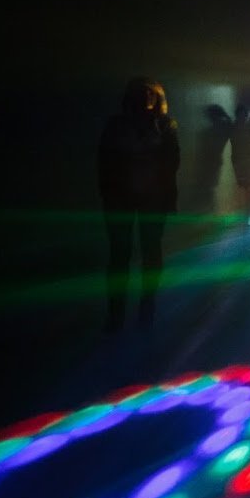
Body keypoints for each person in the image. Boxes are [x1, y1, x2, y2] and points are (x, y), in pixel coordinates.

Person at [98, 77, 180, 333]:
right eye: (141, 94)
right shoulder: (118, 125)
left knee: (149, 252)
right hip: (121, 198)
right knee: (121, 255)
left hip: (151, 199)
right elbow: (105, 162)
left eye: (150, 94)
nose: (146, 98)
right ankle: (118, 312)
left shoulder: (164, 126)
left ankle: (146, 305)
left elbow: (172, 165)